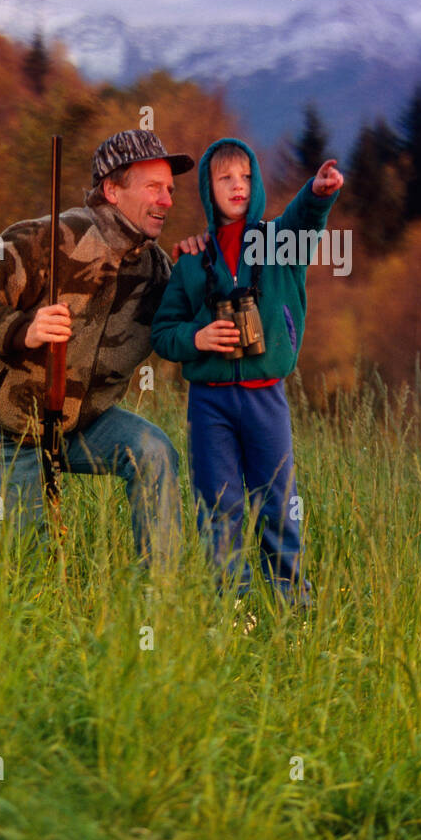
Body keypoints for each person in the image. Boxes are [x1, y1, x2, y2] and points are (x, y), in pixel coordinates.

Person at [0, 128, 194, 566]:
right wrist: (21, 328)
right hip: (14, 431)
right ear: (111, 189)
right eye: (153, 187)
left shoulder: (156, 270)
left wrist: (201, 269)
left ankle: (161, 603)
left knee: (153, 452)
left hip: (83, 425)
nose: (167, 199)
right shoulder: (47, 239)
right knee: (27, 573)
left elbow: (181, 333)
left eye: (169, 189)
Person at [151, 136, 344, 614]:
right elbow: (163, 332)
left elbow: (306, 219)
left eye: (246, 177)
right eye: (225, 178)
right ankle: (231, 612)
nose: (237, 186)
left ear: (256, 184)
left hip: (266, 399)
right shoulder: (193, 259)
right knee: (219, 508)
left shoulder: (279, 244)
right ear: (207, 188)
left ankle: (292, 608)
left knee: (278, 505)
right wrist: (197, 338)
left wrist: (319, 193)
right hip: (209, 402)